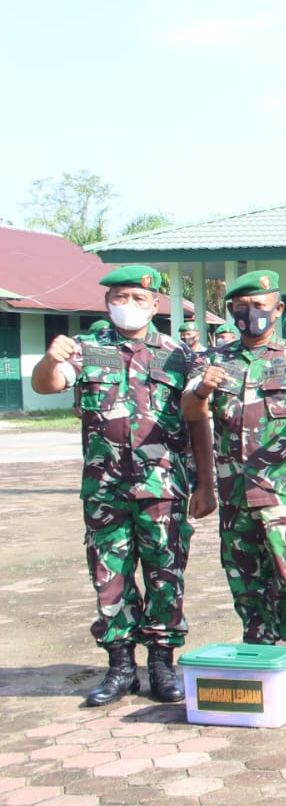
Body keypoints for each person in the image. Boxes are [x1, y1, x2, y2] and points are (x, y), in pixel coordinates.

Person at [30, 265, 201, 706]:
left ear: (155, 305)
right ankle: (121, 667)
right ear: (107, 303)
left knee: (165, 576)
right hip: (105, 488)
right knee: (110, 576)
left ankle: (162, 664)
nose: (129, 305)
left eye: (138, 299)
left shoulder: (177, 355)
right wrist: (50, 359)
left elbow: (197, 413)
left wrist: (204, 482)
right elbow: (48, 384)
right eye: (120, 298)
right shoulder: (87, 350)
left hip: (162, 487)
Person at [184, 270, 286, 698]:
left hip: (284, 493)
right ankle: (259, 653)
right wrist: (205, 484)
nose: (250, 313)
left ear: (278, 309)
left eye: (259, 305)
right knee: (244, 580)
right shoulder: (213, 361)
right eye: (241, 306)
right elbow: (193, 418)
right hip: (234, 494)